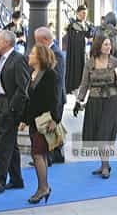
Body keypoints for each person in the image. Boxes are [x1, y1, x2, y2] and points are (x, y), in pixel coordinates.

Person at [0, 31, 29, 194]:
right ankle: (17, 179)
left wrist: (12, 107)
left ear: (6, 43)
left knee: (5, 143)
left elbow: (22, 88)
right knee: (10, 143)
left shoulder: (18, 59)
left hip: (8, 105)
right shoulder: (2, 59)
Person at [73, 35, 117, 178]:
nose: (108, 47)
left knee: (104, 134)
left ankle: (105, 166)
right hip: (94, 101)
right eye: (105, 44)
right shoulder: (90, 63)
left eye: (109, 44)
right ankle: (103, 163)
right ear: (98, 46)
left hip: (111, 100)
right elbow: (84, 83)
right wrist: (78, 101)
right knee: (98, 133)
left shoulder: (115, 62)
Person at [19, 44, 58, 204]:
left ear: (40, 57)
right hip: (34, 120)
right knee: (39, 154)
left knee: (37, 154)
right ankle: (44, 187)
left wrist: (55, 119)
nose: (29, 55)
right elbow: (29, 100)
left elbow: (54, 98)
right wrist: (24, 120)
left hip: (44, 121)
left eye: (32, 53)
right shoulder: (32, 73)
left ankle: (43, 188)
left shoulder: (49, 74)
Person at [34, 27, 66, 164]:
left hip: (55, 98)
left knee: (51, 127)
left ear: (46, 40)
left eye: (38, 41)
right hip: (50, 98)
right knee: (51, 128)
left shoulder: (56, 54)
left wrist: (55, 113)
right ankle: (56, 155)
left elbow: (57, 83)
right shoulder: (51, 51)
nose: (36, 45)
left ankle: (50, 156)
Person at [65, 5, 94, 94]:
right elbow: (74, 39)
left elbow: (91, 35)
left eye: (86, 13)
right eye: (83, 13)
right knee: (77, 75)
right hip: (76, 55)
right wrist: (85, 39)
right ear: (78, 13)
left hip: (86, 54)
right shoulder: (72, 26)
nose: (84, 15)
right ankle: (77, 96)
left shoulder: (87, 25)